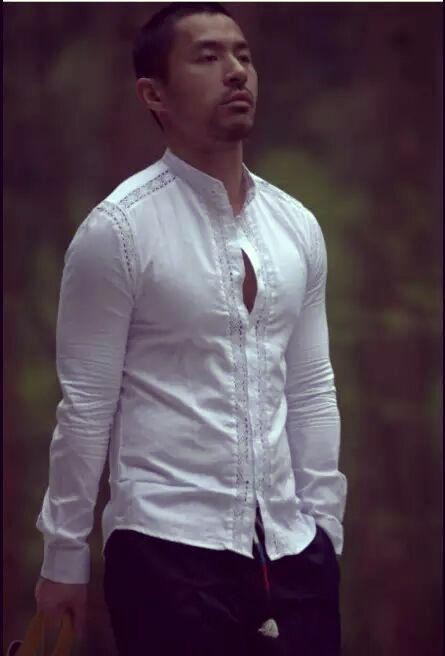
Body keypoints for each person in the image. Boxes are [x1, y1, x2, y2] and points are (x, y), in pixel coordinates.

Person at [34, 3, 347, 655]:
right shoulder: (117, 231)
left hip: (294, 556)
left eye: (243, 55)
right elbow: (86, 408)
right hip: (165, 554)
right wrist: (64, 557)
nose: (235, 71)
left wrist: (325, 532)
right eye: (207, 57)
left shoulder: (296, 226)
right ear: (154, 94)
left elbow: (312, 388)